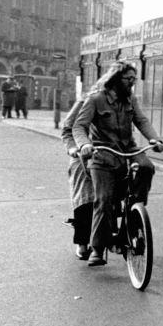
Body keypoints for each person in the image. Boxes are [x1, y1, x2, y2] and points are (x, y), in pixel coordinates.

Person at [72, 61, 163, 267]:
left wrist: (155, 140)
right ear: (116, 79)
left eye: (134, 79)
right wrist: (85, 144)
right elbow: (79, 126)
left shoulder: (130, 99)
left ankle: (136, 210)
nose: (132, 83)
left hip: (128, 149)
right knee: (103, 201)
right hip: (102, 153)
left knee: (147, 167)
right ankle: (97, 248)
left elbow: (141, 121)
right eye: (128, 79)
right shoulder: (96, 99)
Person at [61, 96, 95, 260]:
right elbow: (67, 130)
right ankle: (82, 243)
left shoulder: (120, 103)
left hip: (109, 155)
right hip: (82, 155)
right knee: (85, 195)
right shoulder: (84, 102)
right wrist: (73, 148)